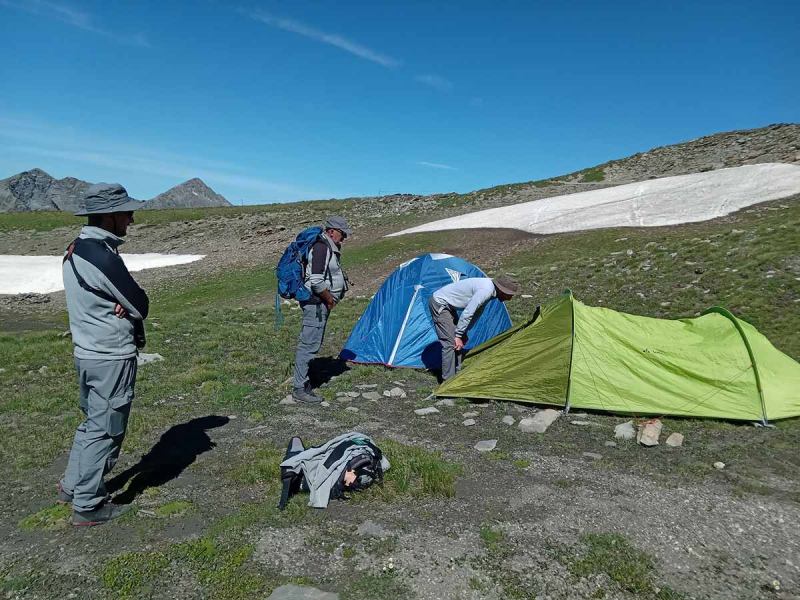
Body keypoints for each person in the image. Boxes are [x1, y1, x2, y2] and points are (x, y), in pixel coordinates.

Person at [57, 182, 149, 525]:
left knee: (92, 423)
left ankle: (71, 486)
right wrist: (124, 305)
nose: (131, 217)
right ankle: (89, 504)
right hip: (110, 355)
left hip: (87, 351)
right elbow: (141, 303)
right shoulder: (101, 255)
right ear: (110, 216)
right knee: (107, 428)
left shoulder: (76, 248)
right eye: (126, 212)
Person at [292, 216, 351, 403]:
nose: (344, 239)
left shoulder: (327, 246)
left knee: (313, 342)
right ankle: (299, 388)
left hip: (319, 304)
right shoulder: (321, 247)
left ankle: (307, 380)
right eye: (342, 235)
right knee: (308, 345)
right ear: (332, 231)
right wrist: (330, 300)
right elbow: (316, 280)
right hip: (316, 304)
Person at [429, 275, 521, 381]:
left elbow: (477, 312)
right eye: (509, 294)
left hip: (449, 306)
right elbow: (468, 312)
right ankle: (447, 383)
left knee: (458, 343)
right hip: (440, 303)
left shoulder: (491, 291)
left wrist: (464, 332)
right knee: (450, 344)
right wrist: (458, 334)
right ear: (501, 290)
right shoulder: (486, 290)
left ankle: (456, 377)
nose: (509, 298)